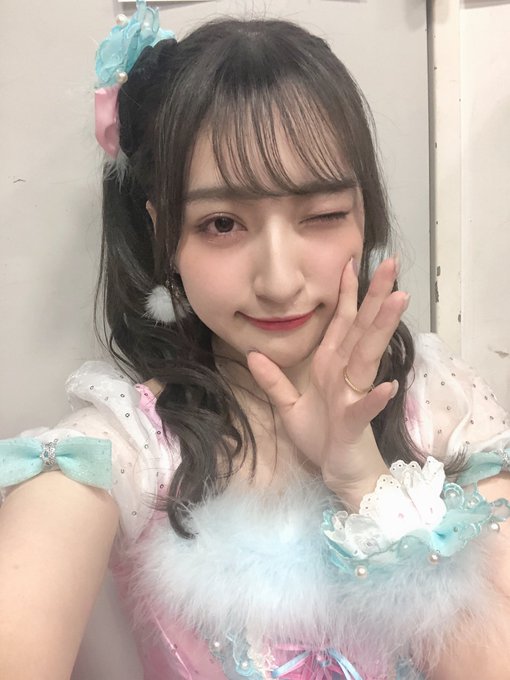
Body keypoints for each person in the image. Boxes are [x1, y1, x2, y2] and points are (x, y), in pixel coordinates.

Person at [1, 3, 510, 679]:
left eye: (321, 214)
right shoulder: (128, 447)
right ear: (163, 234)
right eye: (221, 224)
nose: (278, 280)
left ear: (365, 215)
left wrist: (363, 478)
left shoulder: (443, 409)